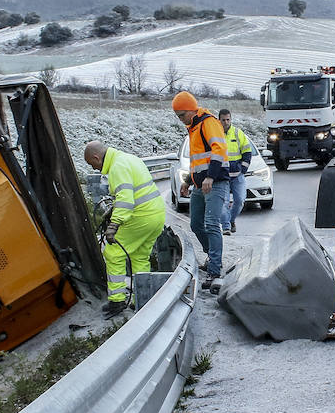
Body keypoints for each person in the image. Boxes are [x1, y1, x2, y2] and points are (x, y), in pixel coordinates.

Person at [83, 140, 166, 317]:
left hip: (141, 217)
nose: (95, 169)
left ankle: (117, 300)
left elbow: (125, 200)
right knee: (139, 257)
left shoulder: (117, 167)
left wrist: (114, 225)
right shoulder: (128, 158)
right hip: (156, 215)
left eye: (92, 164)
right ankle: (141, 298)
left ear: (97, 157)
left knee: (113, 253)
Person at [172, 90, 230, 291]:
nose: (180, 120)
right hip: (200, 184)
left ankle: (214, 270)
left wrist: (210, 177)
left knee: (212, 224)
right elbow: (197, 162)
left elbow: (219, 151)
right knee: (197, 224)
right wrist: (188, 181)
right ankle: (212, 255)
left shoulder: (208, 122)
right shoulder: (194, 127)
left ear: (190, 110)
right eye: (178, 117)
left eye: (181, 115)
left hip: (215, 182)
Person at [218, 108, 253, 236]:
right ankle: (226, 227)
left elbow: (247, 153)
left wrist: (242, 169)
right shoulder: (216, 135)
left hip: (238, 176)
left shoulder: (238, 133)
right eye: (223, 120)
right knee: (224, 203)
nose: (226, 122)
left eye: (228, 119)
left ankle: (231, 220)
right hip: (222, 176)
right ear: (219, 120)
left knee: (240, 201)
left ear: (231, 119)